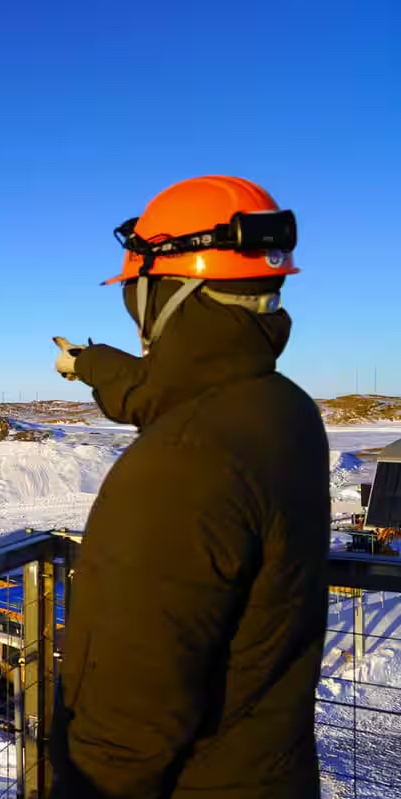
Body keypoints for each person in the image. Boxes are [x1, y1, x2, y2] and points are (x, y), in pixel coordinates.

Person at [48, 175, 332, 798]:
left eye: (136, 295)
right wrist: (90, 363)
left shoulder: (181, 465)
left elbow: (123, 733)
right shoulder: (281, 410)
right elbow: (166, 388)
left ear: (167, 296)